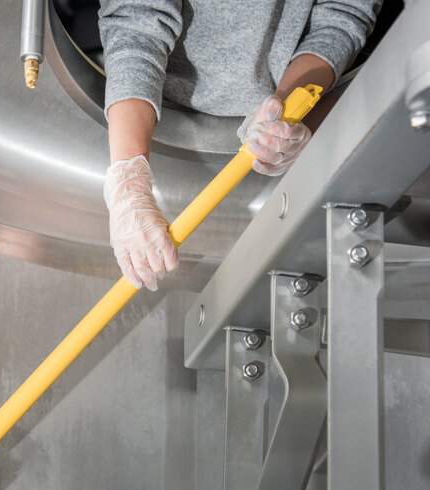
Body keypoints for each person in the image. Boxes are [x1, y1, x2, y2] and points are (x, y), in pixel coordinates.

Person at [98, 0, 381, 290]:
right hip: (155, 95)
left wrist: (283, 107)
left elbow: (342, 15)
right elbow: (137, 19)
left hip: (284, 89)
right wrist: (127, 182)